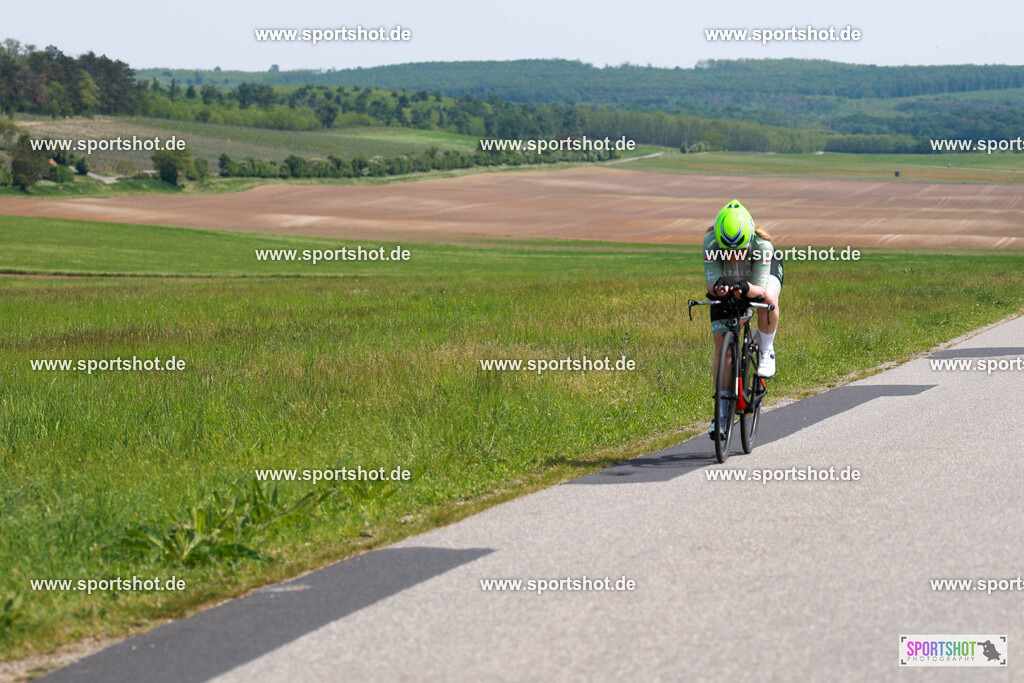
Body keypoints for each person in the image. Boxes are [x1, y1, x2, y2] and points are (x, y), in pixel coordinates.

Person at [703, 199, 783, 438]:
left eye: (739, 249)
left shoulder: (762, 246)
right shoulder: (710, 243)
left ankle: (767, 349)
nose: (735, 256)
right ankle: (721, 414)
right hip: (732, 285)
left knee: (767, 298)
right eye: (728, 251)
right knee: (723, 350)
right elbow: (710, 284)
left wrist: (744, 288)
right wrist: (719, 289)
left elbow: (758, 288)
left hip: (758, 281)